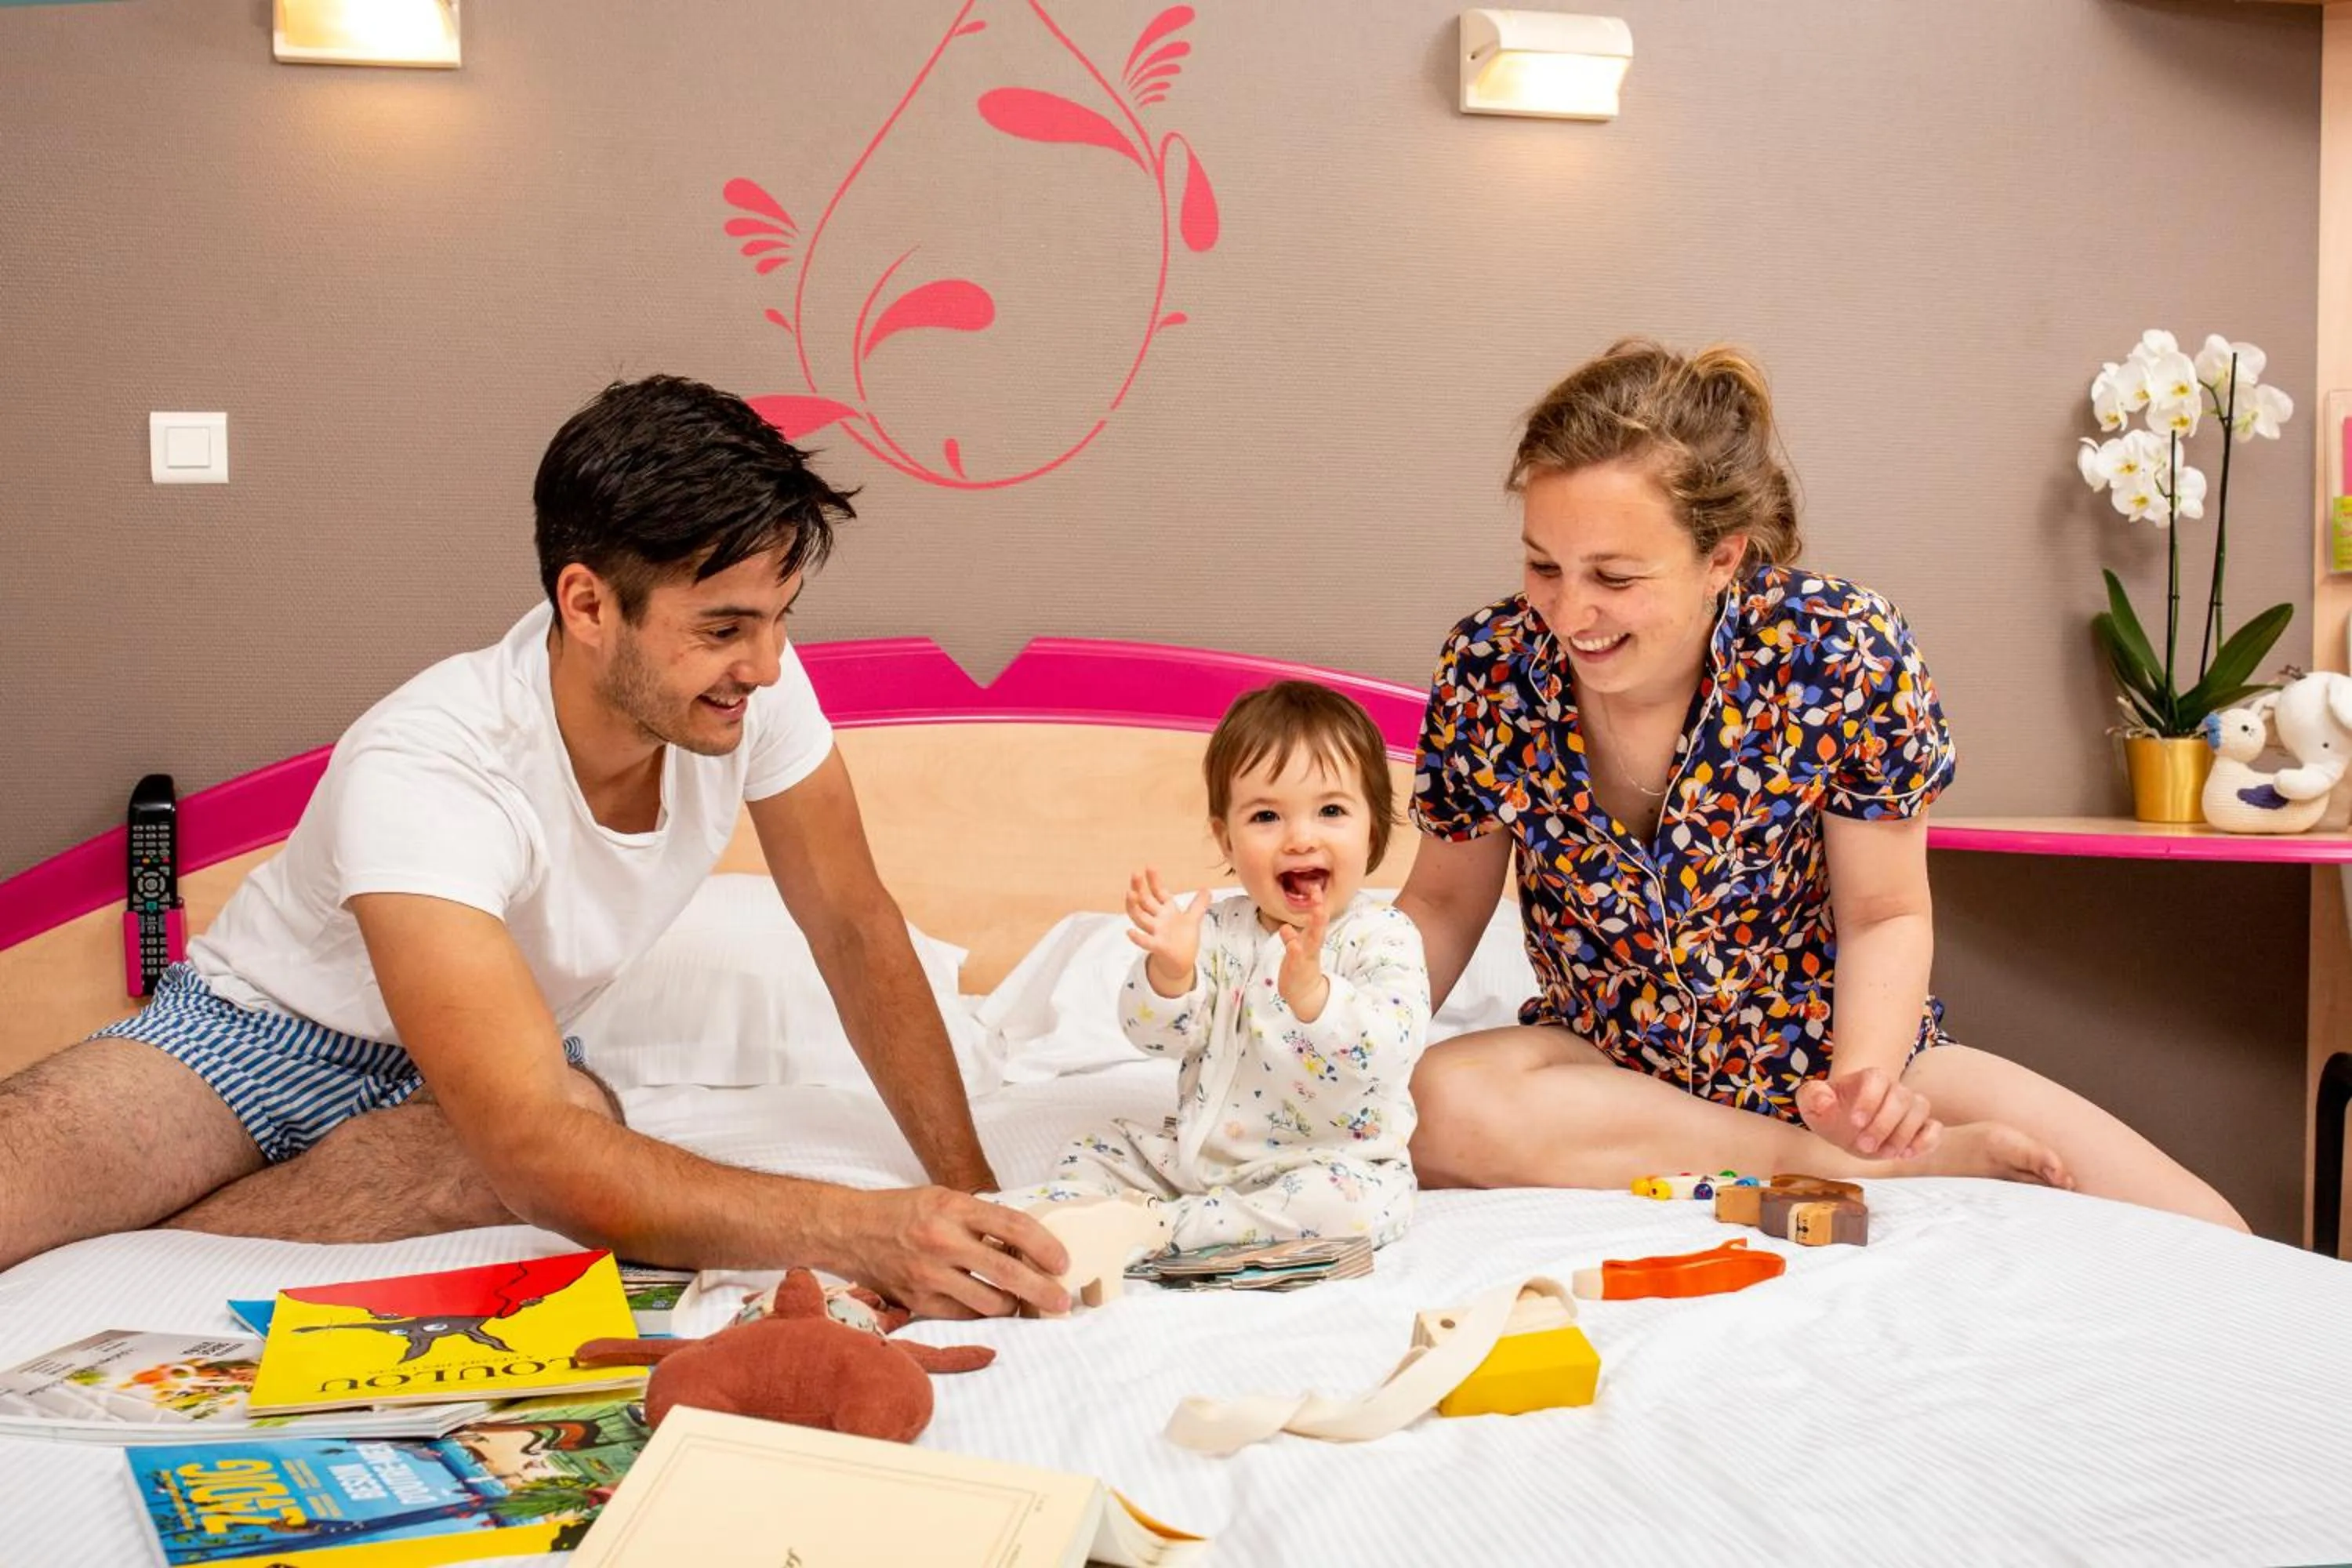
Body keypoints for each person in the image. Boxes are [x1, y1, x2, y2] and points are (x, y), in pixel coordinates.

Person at [0, 375, 1072, 1314]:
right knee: (21, 1175)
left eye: (780, 617)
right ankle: (115, 1220)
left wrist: (973, 1193)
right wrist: (865, 1229)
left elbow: (852, 924)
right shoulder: (432, 759)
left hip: (492, 1075)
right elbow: (533, 1144)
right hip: (261, 1033)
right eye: (724, 627)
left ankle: (126, 1252)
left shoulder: (754, 701)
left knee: (566, 1139)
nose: (766, 664)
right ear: (588, 603)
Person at [1396, 339, 2247, 1230]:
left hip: (1834, 1061)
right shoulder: (1491, 665)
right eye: (1543, 566)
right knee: (1432, 1099)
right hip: (1605, 1082)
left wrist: (1864, 1092)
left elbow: (1884, 912)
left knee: (2208, 1228)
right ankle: (1819, 1167)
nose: (1570, 612)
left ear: (1722, 558)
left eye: (1614, 576)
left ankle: (1849, 1150)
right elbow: (1445, 905)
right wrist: (1334, 1046)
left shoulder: (1841, 649)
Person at [1016, 681, 1431, 1250]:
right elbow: (1152, 1037)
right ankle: (1058, 1229)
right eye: (1266, 816)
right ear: (1227, 840)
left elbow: (1390, 1050)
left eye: (1331, 810)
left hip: (1328, 1165)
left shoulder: (1383, 936)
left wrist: (1315, 997)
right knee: (1094, 1147)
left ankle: (1160, 1231)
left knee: (1354, 1209)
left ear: (1373, 830)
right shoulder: (1213, 931)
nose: (1300, 838)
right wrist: (1171, 974)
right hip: (1198, 1162)